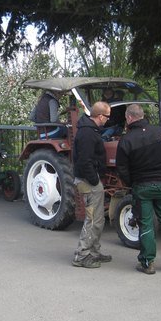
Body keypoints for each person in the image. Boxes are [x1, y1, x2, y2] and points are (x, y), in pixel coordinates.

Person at [116, 104, 161, 275]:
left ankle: (148, 263)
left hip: (142, 186)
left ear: (129, 118)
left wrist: (132, 183)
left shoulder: (126, 140)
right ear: (143, 115)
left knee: (146, 224)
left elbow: (122, 168)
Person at [72, 101, 113, 268]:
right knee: (92, 219)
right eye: (108, 116)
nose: (108, 120)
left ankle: (94, 252)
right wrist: (95, 180)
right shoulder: (88, 134)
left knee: (98, 218)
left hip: (89, 179)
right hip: (88, 181)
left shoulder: (90, 130)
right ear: (101, 116)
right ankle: (82, 256)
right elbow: (84, 160)